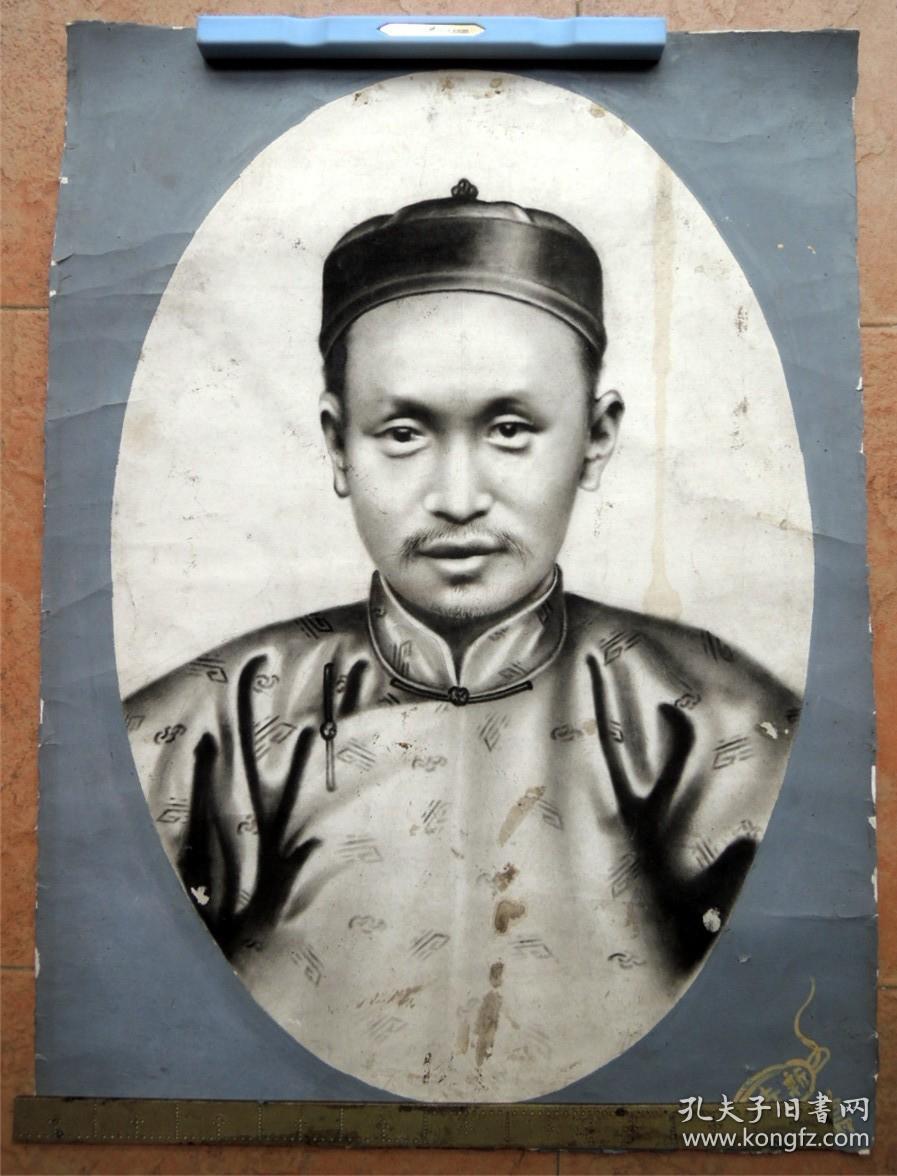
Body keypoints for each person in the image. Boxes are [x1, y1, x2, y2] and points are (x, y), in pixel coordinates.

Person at [124, 179, 800, 1102]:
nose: (456, 497)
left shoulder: (714, 720)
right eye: (403, 432)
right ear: (337, 443)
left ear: (596, 437)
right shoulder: (212, 724)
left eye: (509, 430)